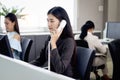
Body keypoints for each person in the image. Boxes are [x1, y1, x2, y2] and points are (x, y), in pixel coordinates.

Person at [30, 6, 78, 79]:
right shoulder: (50, 37)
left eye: (52, 21)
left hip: (63, 77)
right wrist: (25, 66)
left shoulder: (68, 41)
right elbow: (40, 60)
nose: (49, 24)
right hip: (51, 75)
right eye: (47, 21)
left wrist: (53, 44)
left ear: (62, 23)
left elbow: (60, 69)